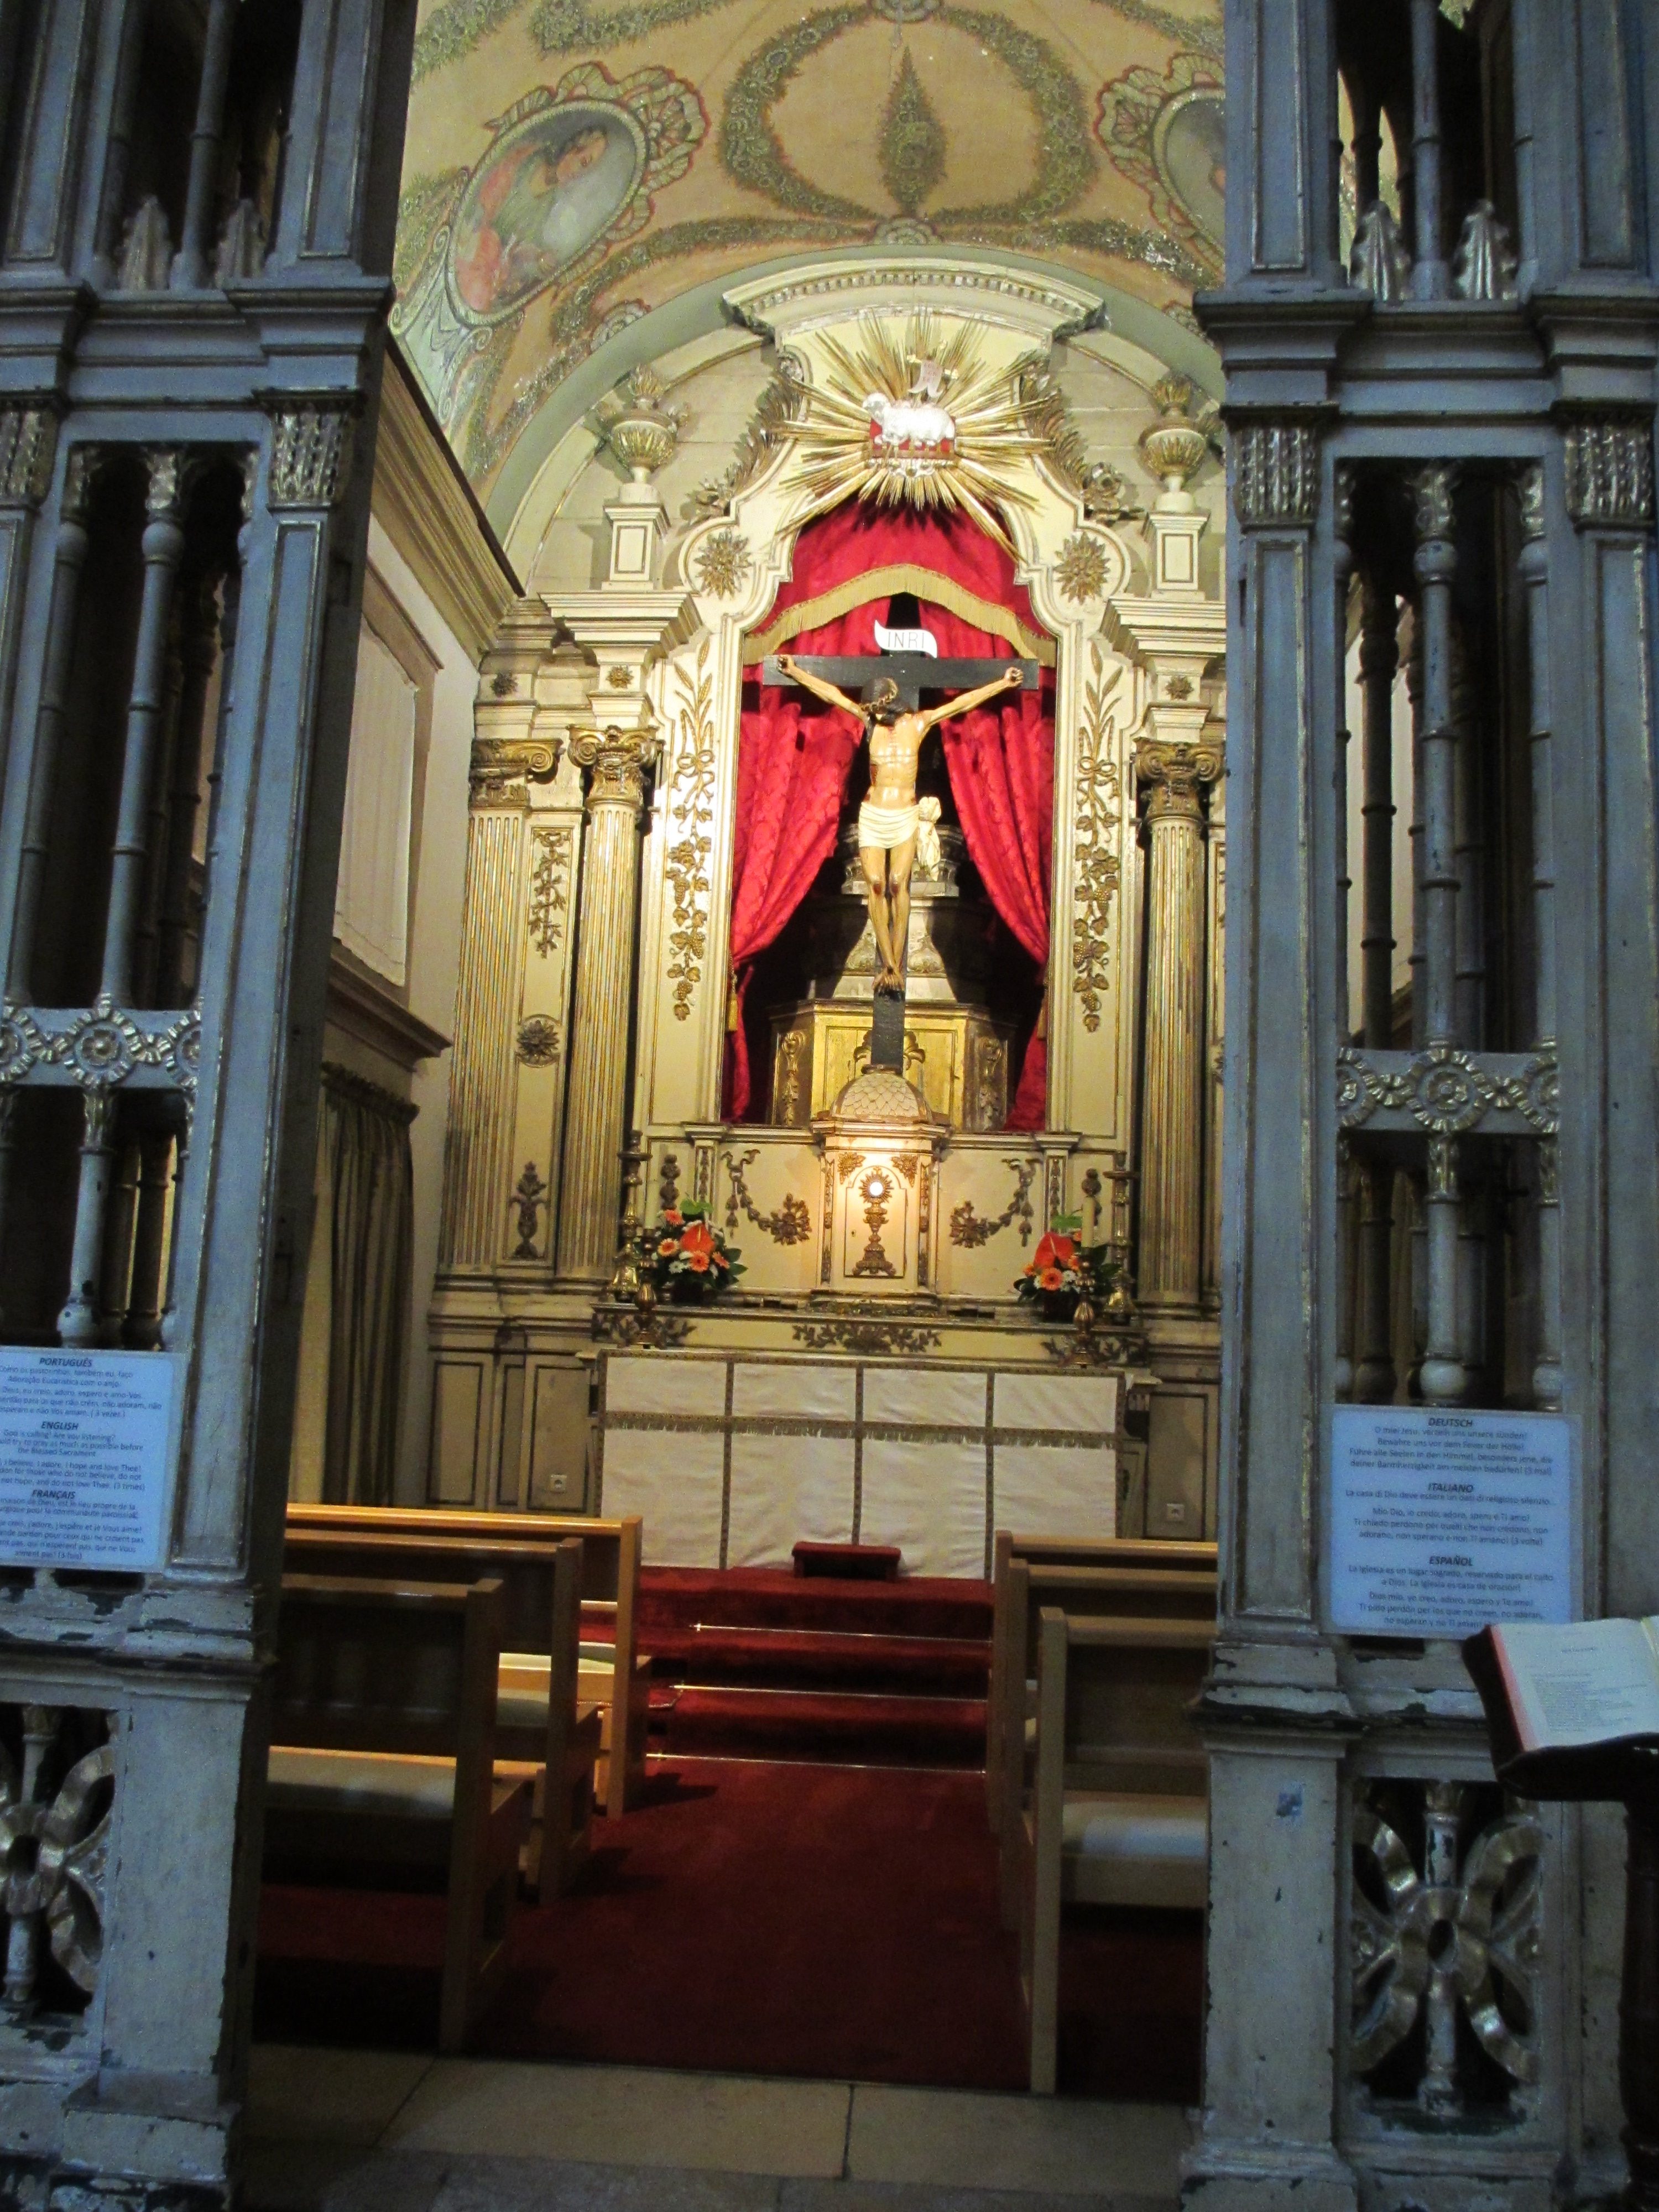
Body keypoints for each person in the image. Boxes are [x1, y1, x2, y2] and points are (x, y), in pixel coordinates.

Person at [775, 654, 1024, 994]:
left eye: (878, 708)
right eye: (871, 710)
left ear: (890, 701)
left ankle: (895, 961)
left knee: (897, 884)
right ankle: (889, 964)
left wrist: (1003, 683)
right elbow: (832, 695)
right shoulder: (871, 724)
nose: (874, 714)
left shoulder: (919, 724)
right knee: (876, 885)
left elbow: (963, 703)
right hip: (873, 814)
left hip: (904, 814)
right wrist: (795, 672)